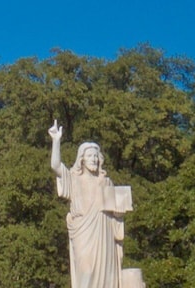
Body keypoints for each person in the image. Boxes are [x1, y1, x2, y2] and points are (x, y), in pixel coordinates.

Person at [49, 121, 128, 288]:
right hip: (83, 234)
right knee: (85, 273)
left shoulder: (106, 182)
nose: (93, 159)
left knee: (107, 279)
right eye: (89, 156)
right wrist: (56, 140)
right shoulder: (73, 178)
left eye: (95, 156)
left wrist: (120, 213)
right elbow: (55, 166)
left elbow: (117, 215)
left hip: (105, 235)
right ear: (82, 159)